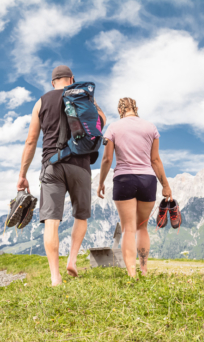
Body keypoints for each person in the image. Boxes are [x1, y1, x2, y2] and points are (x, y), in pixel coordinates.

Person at [17, 65, 106, 286]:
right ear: (71, 79)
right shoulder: (85, 97)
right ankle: (72, 261)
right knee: (81, 216)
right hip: (81, 165)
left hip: (52, 165)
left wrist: (22, 174)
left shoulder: (41, 101)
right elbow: (101, 122)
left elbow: (31, 141)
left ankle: (55, 277)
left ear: (52, 82)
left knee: (51, 221)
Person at [97, 97, 173, 278]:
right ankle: (144, 270)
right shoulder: (151, 128)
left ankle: (132, 273)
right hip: (147, 179)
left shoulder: (114, 128)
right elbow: (155, 160)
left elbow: (107, 159)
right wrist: (166, 186)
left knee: (128, 229)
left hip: (124, 179)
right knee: (142, 227)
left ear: (120, 110)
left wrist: (100, 182)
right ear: (135, 108)